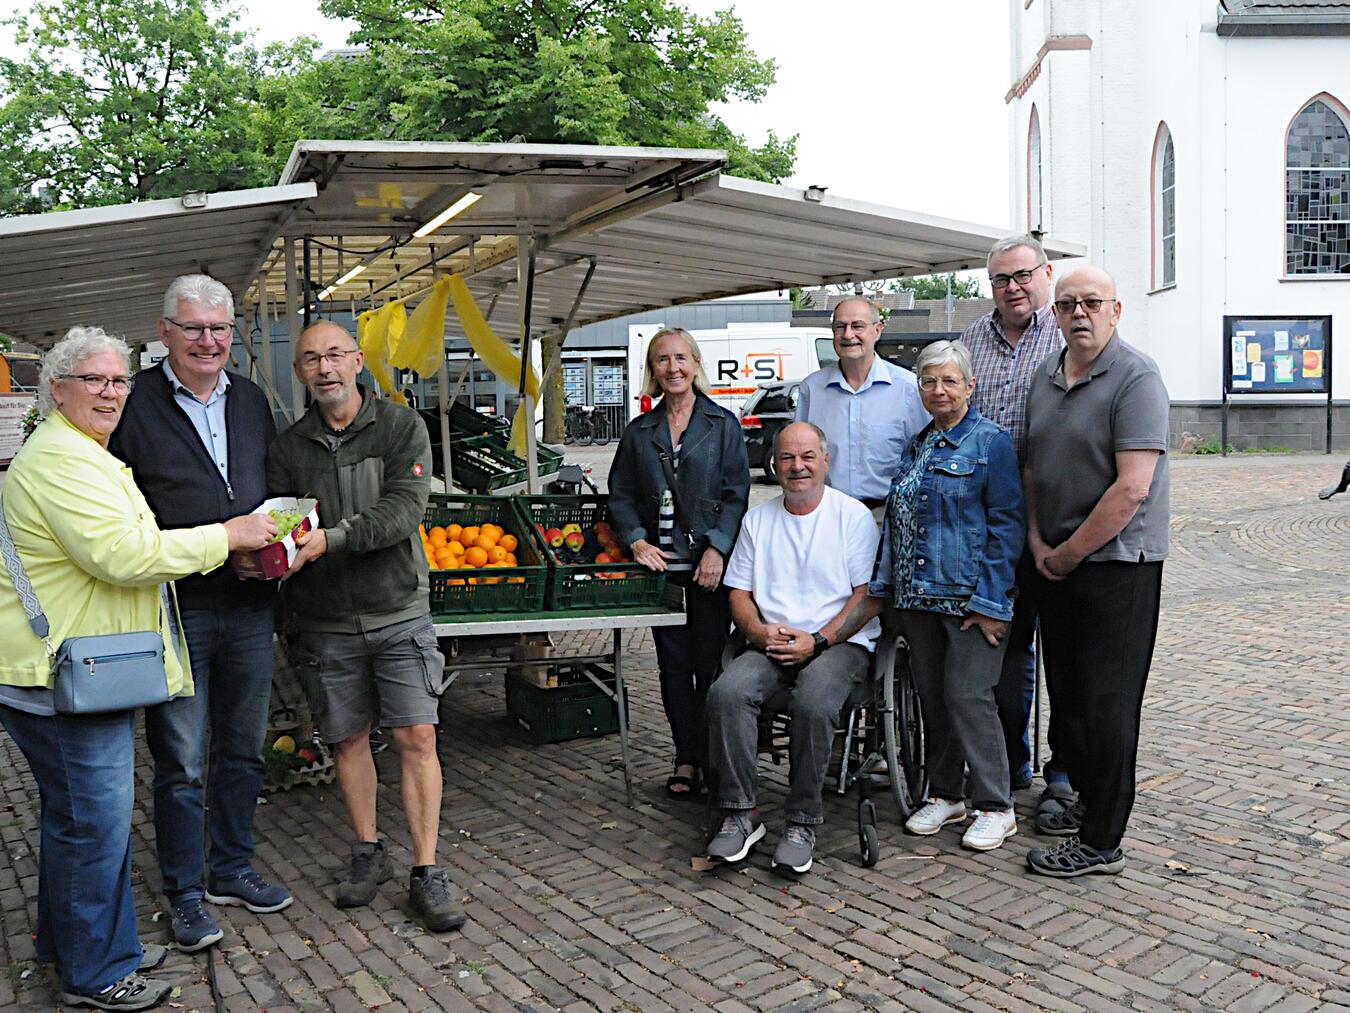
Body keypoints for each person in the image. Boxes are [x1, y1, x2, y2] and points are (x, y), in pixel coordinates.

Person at [0, 328, 275, 1011]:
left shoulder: (80, 451)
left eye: (119, 380)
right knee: (96, 825)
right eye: (93, 379)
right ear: (56, 388)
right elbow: (125, 554)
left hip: (73, 669)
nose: (110, 391)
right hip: (66, 678)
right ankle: (99, 972)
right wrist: (231, 534)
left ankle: (79, 945)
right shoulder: (64, 459)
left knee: (74, 822)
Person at [108, 274, 288, 952]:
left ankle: (231, 866)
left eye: (219, 328)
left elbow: (263, 489)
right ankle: (184, 890)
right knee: (180, 758)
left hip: (247, 605)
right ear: (166, 334)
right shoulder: (134, 405)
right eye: (194, 328)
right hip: (174, 608)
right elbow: (122, 508)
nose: (209, 340)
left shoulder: (250, 401)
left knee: (242, 748)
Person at [267, 320, 464, 931]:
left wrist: (331, 539)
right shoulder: (288, 448)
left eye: (334, 356)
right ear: (298, 372)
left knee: (417, 741)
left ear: (356, 361)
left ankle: (427, 870)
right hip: (325, 622)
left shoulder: (403, 427)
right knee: (347, 740)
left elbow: (403, 512)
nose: (324, 369)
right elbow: (280, 521)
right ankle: (366, 849)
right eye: (310, 360)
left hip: (397, 612)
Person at [1022, 267, 1170, 878]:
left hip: (1116, 567)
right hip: (1056, 563)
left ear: (1116, 310)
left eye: (1091, 303)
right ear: (1053, 315)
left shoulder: (1137, 377)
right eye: (1067, 305)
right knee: (1073, 698)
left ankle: (1102, 840)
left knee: (1109, 705)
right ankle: (1084, 798)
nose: (1078, 313)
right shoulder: (1047, 375)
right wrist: (1037, 540)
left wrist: (1067, 553)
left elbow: (1132, 488)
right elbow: (1031, 466)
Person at [868, 341, 1025, 851]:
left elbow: (1007, 527)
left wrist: (992, 600)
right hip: (917, 599)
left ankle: (996, 804)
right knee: (935, 700)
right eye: (929, 381)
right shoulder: (919, 444)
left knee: (969, 696)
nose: (938, 390)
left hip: (970, 600)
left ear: (970, 386)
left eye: (949, 381)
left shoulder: (989, 442)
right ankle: (946, 793)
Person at [704, 422, 881, 874]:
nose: (797, 467)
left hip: (836, 643)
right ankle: (740, 814)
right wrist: (760, 634)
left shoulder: (852, 516)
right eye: (786, 458)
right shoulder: (758, 520)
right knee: (726, 693)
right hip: (772, 641)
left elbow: (868, 596)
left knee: (816, 700)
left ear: (826, 461)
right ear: (774, 465)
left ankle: (801, 820)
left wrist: (819, 640)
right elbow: (739, 594)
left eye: (806, 457)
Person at [609, 327, 750, 799]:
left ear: (695, 364)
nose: (673, 368)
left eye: (681, 358)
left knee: (710, 665)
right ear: (653, 371)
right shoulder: (639, 431)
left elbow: (737, 495)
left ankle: (713, 757)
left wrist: (718, 548)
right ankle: (685, 756)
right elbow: (621, 495)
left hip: (708, 570)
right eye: (662, 360)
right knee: (672, 667)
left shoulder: (722, 424)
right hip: (661, 571)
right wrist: (635, 541)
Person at [960, 235, 1074, 814]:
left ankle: (1065, 769)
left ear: (1046, 273)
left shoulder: (1068, 335)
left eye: (1023, 275)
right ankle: (1010, 762)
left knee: (1064, 652)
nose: (1014, 287)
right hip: (991, 527)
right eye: (1002, 279)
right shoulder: (970, 342)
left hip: (1054, 519)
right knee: (1004, 650)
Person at [795, 297, 928, 514]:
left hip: (887, 516)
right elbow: (799, 454)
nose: (848, 335)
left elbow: (922, 459)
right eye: (840, 327)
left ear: (877, 330)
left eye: (857, 326)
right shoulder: (812, 389)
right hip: (827, 514)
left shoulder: (908, 389)